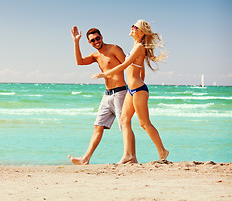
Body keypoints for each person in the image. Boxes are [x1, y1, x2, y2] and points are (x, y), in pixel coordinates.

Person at [92, 20, 169, 164]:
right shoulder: (134, 47)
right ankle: (129, 155)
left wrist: (104, 74)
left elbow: (124, 65)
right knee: (124, 120)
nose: (132, 28)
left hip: (139, 90)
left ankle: (162, 151)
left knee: (144, 123)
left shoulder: (139, 47)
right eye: (132, 26)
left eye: (135, 27)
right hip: (132, 90)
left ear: (141, 32)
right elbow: (140, 70)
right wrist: (134, 84)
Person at [68, 26, 127, 165]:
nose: (96, 42)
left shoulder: (114, 48)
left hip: (120, 93)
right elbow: (79, 62)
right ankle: (85, 158)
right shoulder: (96, 56)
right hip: (107, 95)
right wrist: (76, 42)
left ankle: (129, 156)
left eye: (97, 38)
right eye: (92, 41)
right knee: (98, 126)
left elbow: (127, 65)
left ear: (102, 36)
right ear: (89, 42)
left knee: (125, 126)